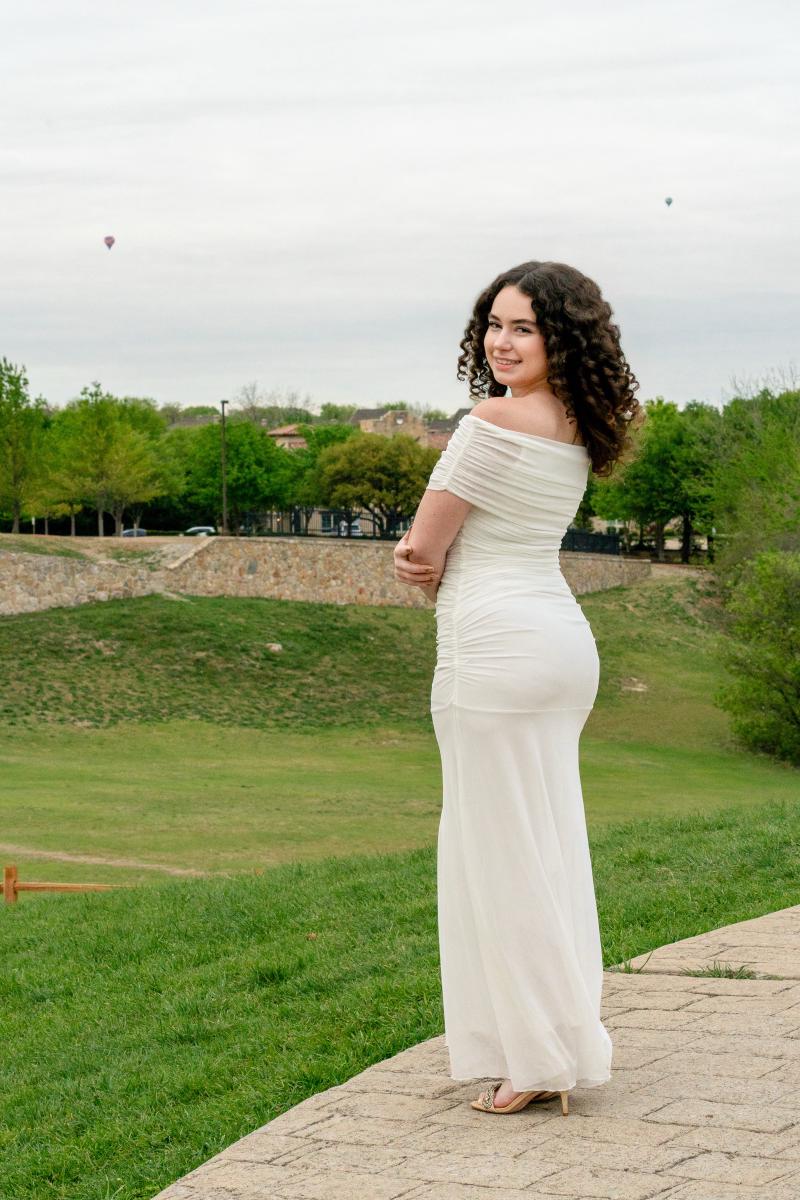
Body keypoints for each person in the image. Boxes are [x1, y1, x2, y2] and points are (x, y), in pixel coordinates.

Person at [394, 260, 641, 1116]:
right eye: (494, 324)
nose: (502, 341)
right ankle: (557, 1037)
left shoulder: (489, 425)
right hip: (560, 643)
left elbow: (423, 552)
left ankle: (537, 1057)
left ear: (558, 337)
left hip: (493, 649)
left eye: (523, 328)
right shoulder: (580, 424)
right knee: (546, 844)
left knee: (499, 854)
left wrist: (420, 565)